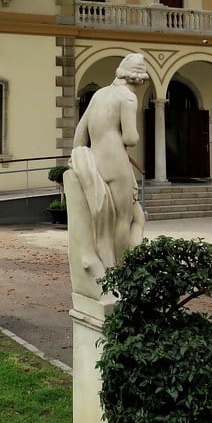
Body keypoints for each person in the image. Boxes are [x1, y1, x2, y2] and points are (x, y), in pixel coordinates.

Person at [64, 53, 149, 299]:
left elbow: (80, 133)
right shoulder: (128, 98)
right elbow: (131, 138)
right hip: (116, 160)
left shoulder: (99, 95)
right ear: (137, 79)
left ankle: (110, 267)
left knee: (117, 218)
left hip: (95, 159)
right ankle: (121, 273)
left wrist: (78, 158)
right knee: (126, 220)